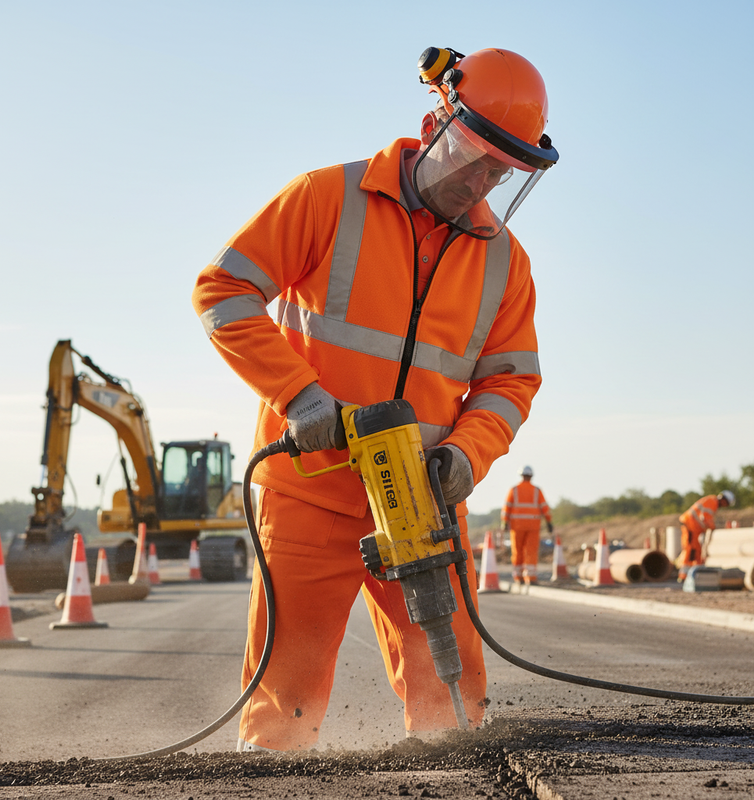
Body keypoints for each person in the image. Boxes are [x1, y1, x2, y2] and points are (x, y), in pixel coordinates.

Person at [192, 46, 559, 752]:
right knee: (285, 697)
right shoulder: (326, 198)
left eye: (500, 171)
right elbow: (222, 291)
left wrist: (466, 455)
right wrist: (301, 398)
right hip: (310, 489)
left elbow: (511, 380)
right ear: (432, 125)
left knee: (453, 693)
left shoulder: (505, 261)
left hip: (423, 498)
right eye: (473, 157)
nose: (480, 182)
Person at [500, 465, 552, 585]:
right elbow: (545, 508)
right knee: (531, 551)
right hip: (533, 526)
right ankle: (531, 577)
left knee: (517, 551)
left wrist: (504, 522)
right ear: (531, 476)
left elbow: (506, 508)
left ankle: (519, 577)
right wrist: (549, 522)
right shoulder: (537, 490)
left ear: (521, 475)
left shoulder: (514, 490)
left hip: (517, 526)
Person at [677, 490, 735, 580]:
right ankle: (684, 576)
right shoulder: (712, 502)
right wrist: (713, 528)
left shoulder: (712, 501)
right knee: (691, 550)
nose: (725, 506)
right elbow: (706, 518)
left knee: (696, 551)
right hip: (690, 526)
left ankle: (693, 574)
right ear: (723, 500)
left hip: (693, 528)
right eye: (726, 504)